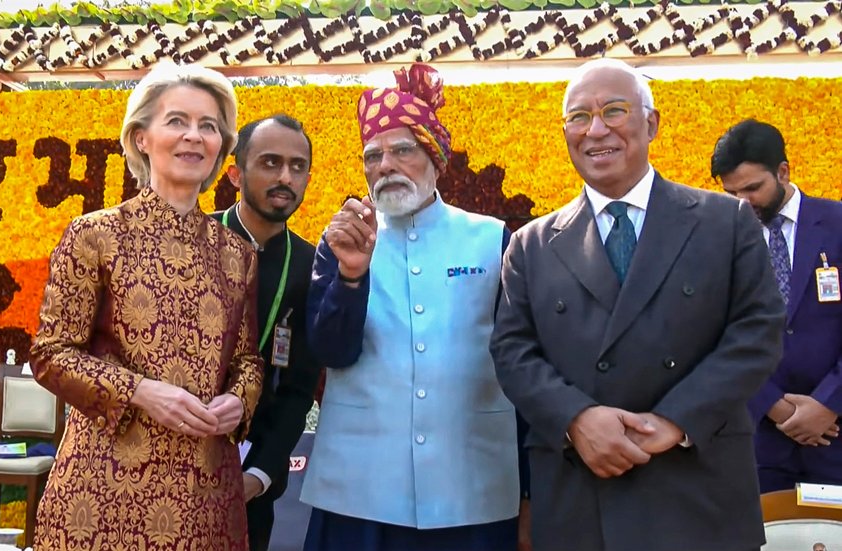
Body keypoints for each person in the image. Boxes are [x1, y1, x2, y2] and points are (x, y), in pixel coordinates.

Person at [490, 58, 786, 551]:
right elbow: (512, 352)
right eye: (579, 117)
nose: (596, 129)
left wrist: (675, 421)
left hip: (698, 490)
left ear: (651, 123)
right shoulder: (531, 244)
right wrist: (576, 419)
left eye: (614, 110)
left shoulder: (724, 222)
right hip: (581, 495)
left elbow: (757, 334)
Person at [29, 62, 263, 551]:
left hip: (206, 498)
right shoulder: (95, 235)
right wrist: (139, 391)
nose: (194, 137)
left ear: (222, 145)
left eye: (209, 127)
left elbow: (247, 360)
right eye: (177, 121)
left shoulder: (236, 254)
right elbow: (50, 354)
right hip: (103, 495)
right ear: (141, 138)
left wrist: (238, 400)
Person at [300, 63, 521, 551]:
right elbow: (330, 352)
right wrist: (351, 276)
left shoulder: (491, 238)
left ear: (435, 156)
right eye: (373, 155)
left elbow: (520, 362)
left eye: (402, 150)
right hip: (359, 491)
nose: (386, 166)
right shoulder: (340, 240)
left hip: (471, 487)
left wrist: (529, 488)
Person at [712, 119, 842, 493]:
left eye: (753, 188)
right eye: (732, 192)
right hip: (759, 443)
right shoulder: (720, 241)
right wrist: (773, 405)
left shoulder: (836, 225)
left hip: (835, 435)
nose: (743, 203)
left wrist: (827, 404)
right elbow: (717, 334)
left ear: (783, 171)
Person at [213, 114, 322, 551]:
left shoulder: (313, 266)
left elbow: (299, 388)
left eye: (298, 167)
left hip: (251, 485)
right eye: (270, 162)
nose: (285, 177)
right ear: (236, 172)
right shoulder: (190, 242)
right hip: (169, 471)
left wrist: (257, 477)